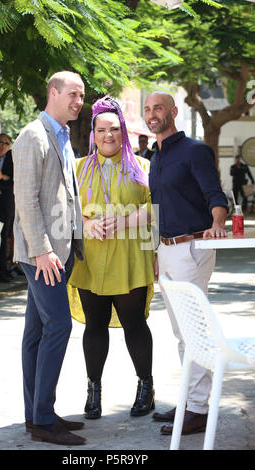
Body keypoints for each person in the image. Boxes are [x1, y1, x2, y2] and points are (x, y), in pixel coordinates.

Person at [144, 92, 228, 435]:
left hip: (192, 247)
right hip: (166, 250)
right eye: (147, 109)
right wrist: (153, 251)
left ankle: (199, 409)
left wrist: (218, 222)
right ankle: (193, 403)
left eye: (158, 108)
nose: (152, 114)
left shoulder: (195, 150)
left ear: (173, 112)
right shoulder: (155, 157)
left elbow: (214, 194)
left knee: (194, 330)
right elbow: (157, 209)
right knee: (182, 332)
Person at [68, 97, 155, 420]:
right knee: (94, 325)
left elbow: (157, 211)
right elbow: (63, 210)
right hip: (90, 261)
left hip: (131, 260)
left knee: (135, 324)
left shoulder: (143, 168)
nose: (108, 136)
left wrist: (126, 221)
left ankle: (146, 387)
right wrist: (86, 223)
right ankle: (94, 390)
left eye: (115, 129)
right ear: (93, 132)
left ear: (124, 132)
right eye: (102, 130)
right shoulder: (77, 169)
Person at [12, 70, 86, 446]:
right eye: (73, 94)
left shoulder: (62, 135)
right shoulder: (32, 136)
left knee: (36, 333)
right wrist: (41, 250)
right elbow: (25, 199)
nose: (78, 101)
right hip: (43, 255)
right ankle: (42, 420)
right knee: (59, 326)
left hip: (59, 250)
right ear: (53, 93)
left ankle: (36, 415)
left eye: (82, 96)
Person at [0, 134, 15, 282]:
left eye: (7, 143)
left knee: (4, 238)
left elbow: (12, 181)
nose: (3, 146)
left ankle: (2, 270)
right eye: (0, 142)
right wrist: (2, 178)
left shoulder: (12, 161)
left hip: (6, 205)